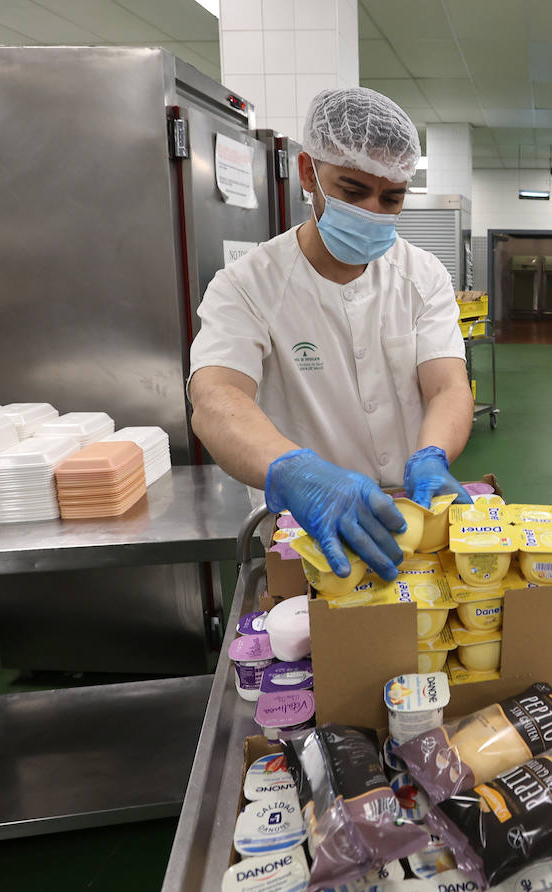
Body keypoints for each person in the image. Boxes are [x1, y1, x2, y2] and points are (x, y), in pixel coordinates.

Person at [187, 87, 473, 582]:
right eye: (353, 191)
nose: (372, 211)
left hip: (409, 520)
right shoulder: (247, 284)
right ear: (307, 174)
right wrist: (296, 473)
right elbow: (216, 397)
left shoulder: (423, 276)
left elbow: (447, 385)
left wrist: (432, 455)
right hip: (308, 527)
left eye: (392, 198)